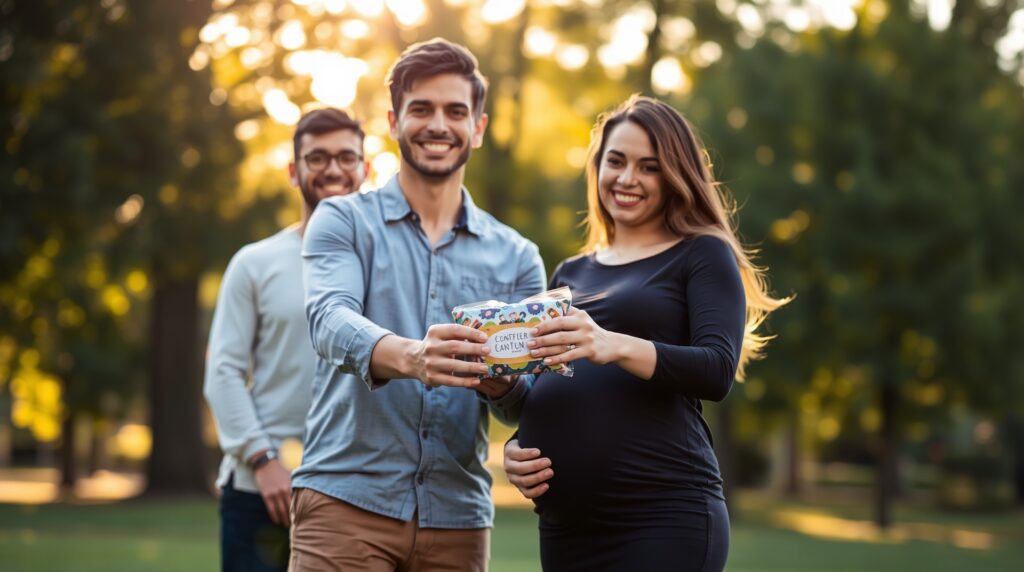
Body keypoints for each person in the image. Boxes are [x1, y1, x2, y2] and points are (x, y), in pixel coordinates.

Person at [290, 38, 546, 571]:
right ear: (393, 121)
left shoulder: (519, 256)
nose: (438, 125)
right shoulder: (341, 220)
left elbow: (527, 398)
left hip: (458, 517)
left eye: (455, 111)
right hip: (345, 503)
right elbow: (328, 320)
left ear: (478, 126)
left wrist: (500, 379)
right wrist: (413, 357)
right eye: (421, 109)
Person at [503, 95, 789, 571]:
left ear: (675, 176)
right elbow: (543, 386)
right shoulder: (570, 271)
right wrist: (518, 447)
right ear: (597, 167)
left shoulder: (701, 255)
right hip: (566, 527)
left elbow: (717, 368)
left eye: (649, 166)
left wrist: (611, 344)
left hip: (662, 517)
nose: (627, 178)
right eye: (615, 161)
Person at [203, 108, 367, 572]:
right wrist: (263, 460)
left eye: (345, 157)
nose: (333, 169)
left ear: (365, 169)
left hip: (356, 496)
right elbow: (223, 372)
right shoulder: (254, 263)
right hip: (262, 494)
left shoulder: (387, 264)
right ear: (294, 171)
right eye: (317, 158)